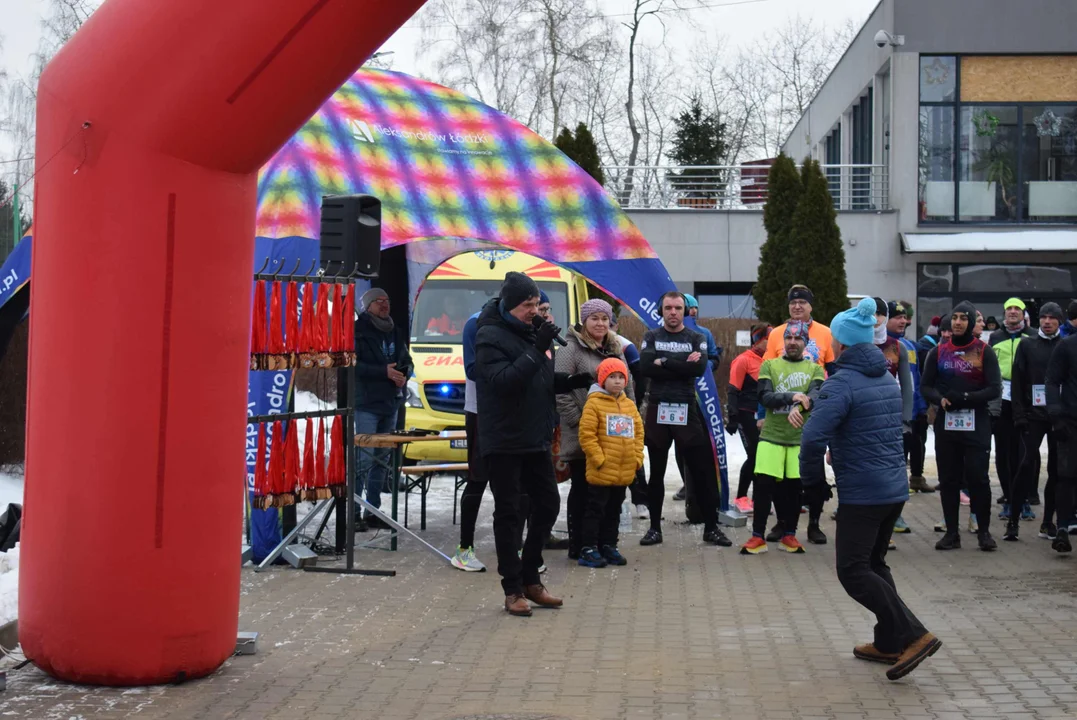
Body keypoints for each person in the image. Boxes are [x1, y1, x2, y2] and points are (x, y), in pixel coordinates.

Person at [800, 297, 941, 682]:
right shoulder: (884, 376)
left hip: (864, 492)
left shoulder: (841, 382)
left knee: (852, 570)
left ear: (841, 344)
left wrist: (812, 484)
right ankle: (889, 640)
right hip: (893, 487)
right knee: (875, 564)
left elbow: (812, 439)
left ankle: (914, 635)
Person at [474, 272, 591, 616]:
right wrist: (538, 347)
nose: (534, 311)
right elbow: (504, 382)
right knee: (510, 513)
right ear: (511, 305)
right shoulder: (488, 335)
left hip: (535, 438)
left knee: (548, 504)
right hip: (505, 440)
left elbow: (535, 379)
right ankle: (512, 589)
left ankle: (531, 576)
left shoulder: (530, 333)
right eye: (528, 305)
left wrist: (568, 381)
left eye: (536, 304)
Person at [639, 291, 731, 547]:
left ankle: (711, 528)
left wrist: (664, 361)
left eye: (677, 308)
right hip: (658, 408)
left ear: (685, 311)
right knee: (656, 474)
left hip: (686, 408)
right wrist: (680, 362)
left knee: (701, 471)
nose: (672, 312)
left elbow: (699, 368)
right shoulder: (651, 336)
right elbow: (645, 367)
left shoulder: (696, 337)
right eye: (668, 307)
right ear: (662, 310)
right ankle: (654, 529)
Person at [555, 298, 634, 560]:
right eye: (594, 318)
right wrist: (582, 420)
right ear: (584, 321)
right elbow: (561, 389)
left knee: (611, 493)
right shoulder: (571, 347)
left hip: (616, 436)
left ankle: (605, 543)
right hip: (583, 432)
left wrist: (631, 416)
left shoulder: (615, 347)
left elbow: (627, 385)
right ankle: (580, 544)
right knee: (583, 489)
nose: (600, 323)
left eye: (604, 318)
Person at [922, 301, 1002, 552]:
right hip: (948, 422)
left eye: (963, 318)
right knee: (949, 479)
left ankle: (984, 532)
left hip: (977, 421)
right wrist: (940, 399)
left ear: (970, 322)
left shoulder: (983, 351)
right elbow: (926, 386)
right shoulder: (938, 352)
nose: (957, 322)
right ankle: (952, 533)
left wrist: (966, 399)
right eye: (954, 318)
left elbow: (994, 388)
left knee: (978, 478)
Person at [740, 321, 823, 555]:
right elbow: (765, 396)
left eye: (798, 339)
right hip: (771, 436)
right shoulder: (769, 365)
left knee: (794, 490)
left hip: (799, 439)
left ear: (805, 342)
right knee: (764, 486)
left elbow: (816, 395)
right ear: (783, 341)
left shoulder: (815, 369)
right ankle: (757, 536)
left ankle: (790, 536)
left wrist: (801, 407)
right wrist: (793, 397)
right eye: (789, 338)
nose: (793, 342)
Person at [763, 284, 835, 544]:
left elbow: (834, 371)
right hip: (781, 414)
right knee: (781, 473)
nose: (797, 306)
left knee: (813, 470)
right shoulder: (777, 334)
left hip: (814, 411)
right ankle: (783, 522)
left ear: (810, 306)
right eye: (793, 302)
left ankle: (814, 523)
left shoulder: (826, 333)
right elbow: (766, 375)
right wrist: (763, 413)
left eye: (802, 302)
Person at [353, 288, 413, 530]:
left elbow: (407, 360)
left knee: (381, 461)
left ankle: (372, 510)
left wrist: (403, 375)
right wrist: (384, 372)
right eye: (379, 301)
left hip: (391, 403)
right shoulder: (358, 331)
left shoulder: (395, 331)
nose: (384, 304)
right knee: (363, 461)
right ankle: (353, 513)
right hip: (367, 403)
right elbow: (354, 364)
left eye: (387, 300)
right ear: (368, 306)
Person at [576, 358, 645, 568]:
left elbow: (638, 433)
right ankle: (588, 548)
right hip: (601, 470)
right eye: (612, 377)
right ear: (602, 380)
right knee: (595, 509)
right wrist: (599, 459)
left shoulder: (629, 405)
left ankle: (609, 545)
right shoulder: (594, 403)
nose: (617, 382)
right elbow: (587, 435)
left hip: (623, 470)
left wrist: (637, 458)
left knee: (615, 510)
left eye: (621, 377)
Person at [1006, 302, 1065, 542]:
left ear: (1060, 321)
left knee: (1056, 469)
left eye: (1052, 318)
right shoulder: (1027, 344)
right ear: (1037, 320)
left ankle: (1048, 521)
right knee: (1026, 465)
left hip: (1059, 416)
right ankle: (1013, 520)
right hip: (1033, 415)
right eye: (1043, 317)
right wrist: (1019, 414)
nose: (1047, 321)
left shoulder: (1066, 346)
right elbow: (1017, 383)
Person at [871, 298, 914, 536]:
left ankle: (894, 515)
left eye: (880, 314)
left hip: (891, 420)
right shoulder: (855, 344)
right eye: (873, 314)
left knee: (893, 469)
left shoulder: (898, 348)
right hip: (864, 419)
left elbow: (907, 386)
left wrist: (905, 419)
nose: (876, 319)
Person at [988, 298, 1033, 518]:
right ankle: (1008, 498)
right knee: (1003, 453)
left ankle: (1023, 500)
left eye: (1017, 309)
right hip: (1002, 401)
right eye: (1009, 309)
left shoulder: (1032, 336)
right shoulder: (995, 337)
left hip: (1025, 401)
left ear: (1024, 314)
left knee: (1024, 453)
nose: (1013, 312)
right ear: (1004, 314)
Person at [452, 307, 487, 571]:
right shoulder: (476, 322)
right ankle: (464, 549)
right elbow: (473, 369)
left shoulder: (529, 325)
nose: (539, 313)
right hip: (481, 411)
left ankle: (517, 547)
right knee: (477, 479)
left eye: (543, 308)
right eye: (533, 306)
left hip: (514, 415)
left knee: (515, 484)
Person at [726, 324, 772, 514]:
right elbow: (733, 390)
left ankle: (760, 499)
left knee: (765, 458)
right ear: (759, 339)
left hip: (766, 416)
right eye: (769, 337)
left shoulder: (772, 360)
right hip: (746, 414)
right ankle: (741, 497)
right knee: (754, 455)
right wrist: (733, 417)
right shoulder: (743, 360)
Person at [890, 302, 933, 494]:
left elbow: (915, 378)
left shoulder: (909, 346)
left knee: (914, 448)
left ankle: (913, 480)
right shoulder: (880, 345)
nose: (903, 321)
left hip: (912, 412)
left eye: (904, 317)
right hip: (890, 412)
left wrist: (921, 407)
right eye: (897, 317)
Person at [610, 312, 649, 519]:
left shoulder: (625, 346)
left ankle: (641, 501)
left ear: (616, 327)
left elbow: (640, 377)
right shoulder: (587, 343)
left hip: (623, 408)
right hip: (601, 408)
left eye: (609, 324)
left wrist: (635, 403)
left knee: (631, 454)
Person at [1045, 313, 1077, 552]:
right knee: (1066, 476)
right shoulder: (1067, 346)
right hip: (1070, 422)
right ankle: (1063, 527)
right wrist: (1056, 415)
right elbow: (1052, 381)